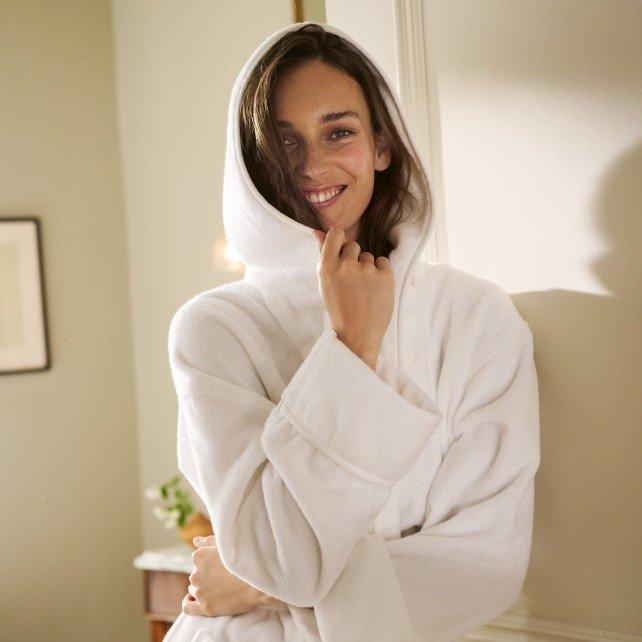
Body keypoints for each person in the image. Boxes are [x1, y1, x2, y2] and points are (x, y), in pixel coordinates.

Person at [163, 20, 540, 642]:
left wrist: (254, 583)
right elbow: (285, 559)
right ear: (254, 157)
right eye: (284, 142)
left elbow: (487, 566)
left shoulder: (477, 318)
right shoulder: (212, 331)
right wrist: (352, 347)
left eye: (339, 131)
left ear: (382, 144)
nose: (312, 166)